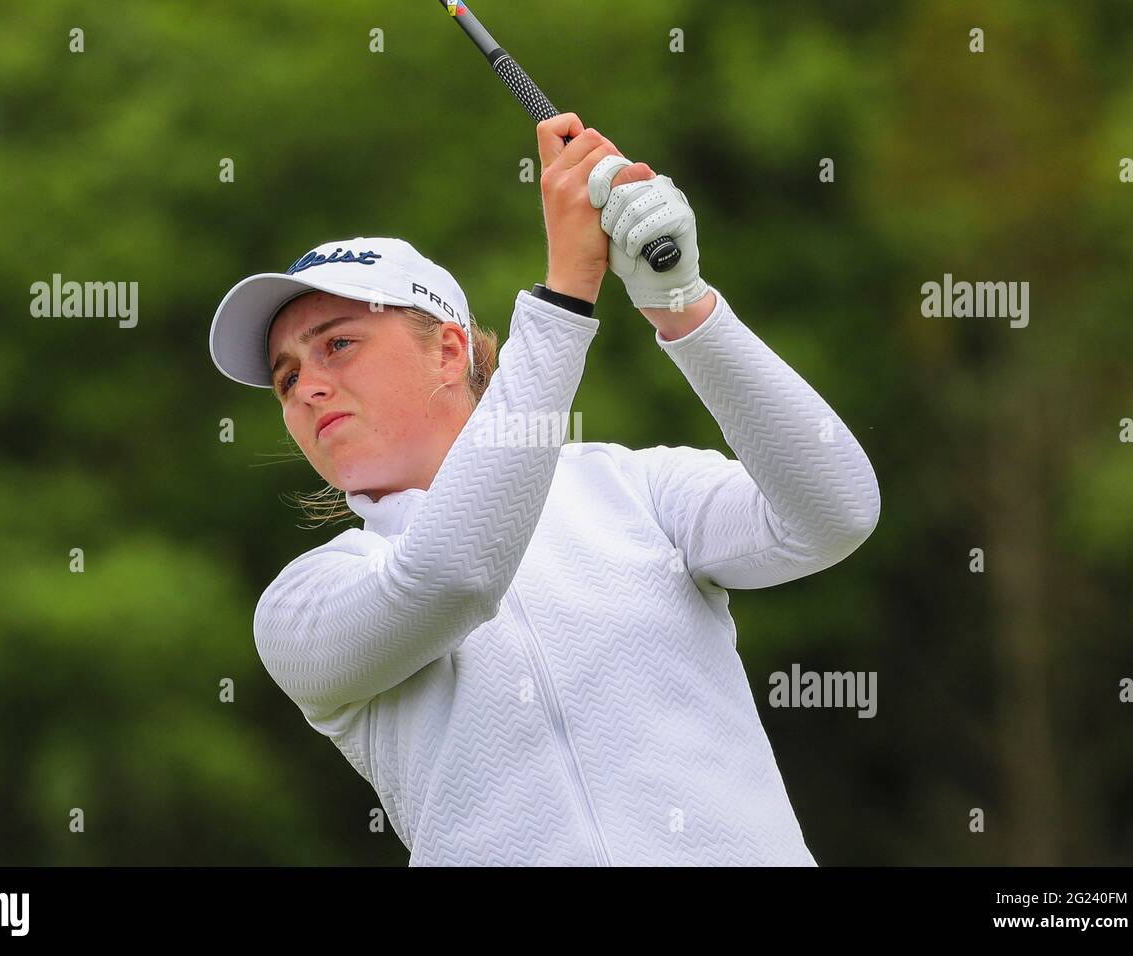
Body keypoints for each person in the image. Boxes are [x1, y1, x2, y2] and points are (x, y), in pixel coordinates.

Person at [208, 113, 880, 866]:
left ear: (449, 351)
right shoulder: (304, 601)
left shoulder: (635, 486)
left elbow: (835, 513)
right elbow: (457, 575)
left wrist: (682, 305)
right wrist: (568, 292)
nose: (308, 388)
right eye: (287, 376)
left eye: (338, 344)